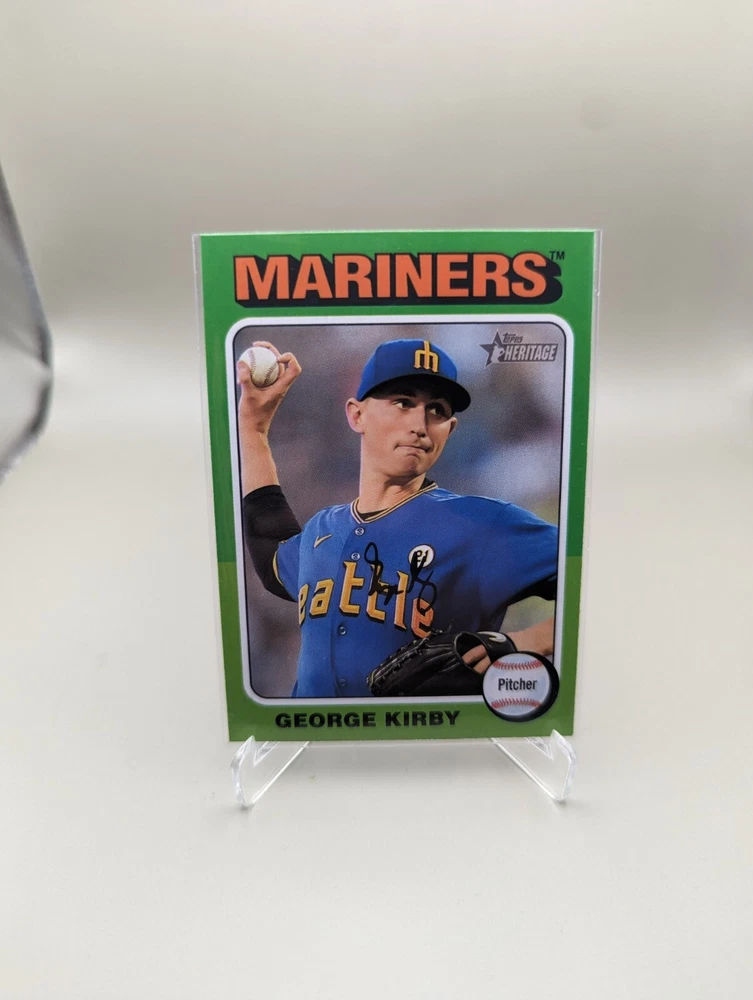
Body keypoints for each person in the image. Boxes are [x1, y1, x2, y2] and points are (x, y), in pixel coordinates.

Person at [238, 337, 557, 698]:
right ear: (356, 415)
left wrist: (520, 643)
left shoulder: (482, 525)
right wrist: (253, 428)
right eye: (403, 402)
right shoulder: (322, 530)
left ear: (450, 430)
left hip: (434, 734)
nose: (420, 424)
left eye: (437, 410)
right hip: (317, 735)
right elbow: (270, 550)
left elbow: (592, 581)